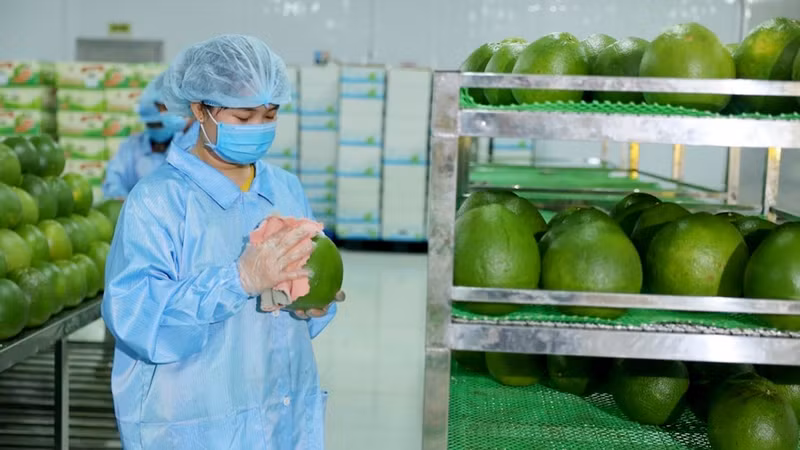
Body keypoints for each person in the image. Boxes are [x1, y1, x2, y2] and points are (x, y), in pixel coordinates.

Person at [102, 34, 342, 449]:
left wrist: (308, 305)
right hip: (194, 422)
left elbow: (296, 299)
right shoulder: (158, 200)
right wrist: (238, 280)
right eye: (244, 118)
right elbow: (135, 318)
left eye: (270, 115)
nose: (260, 128)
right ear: (200, 110)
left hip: (279, 415)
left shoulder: (285, 189)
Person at [102, 72, 193, 199]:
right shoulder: (132, 146)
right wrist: (123, 202)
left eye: (160, 124)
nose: (157, 128)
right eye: (152, 125)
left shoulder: (188, 146)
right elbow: (113, 182)